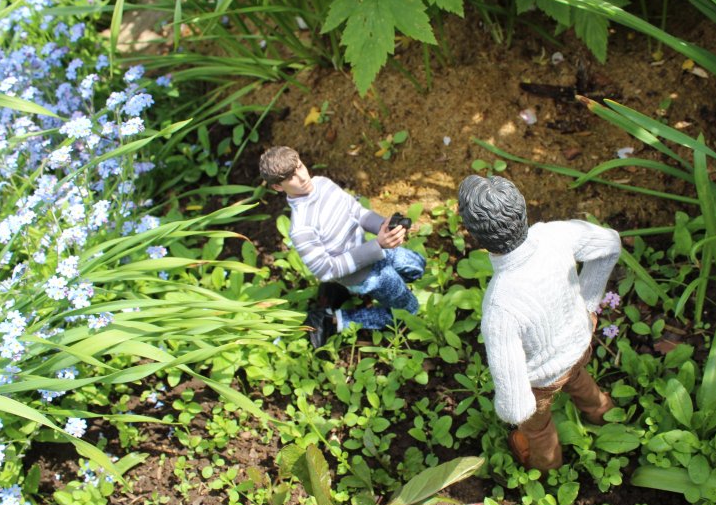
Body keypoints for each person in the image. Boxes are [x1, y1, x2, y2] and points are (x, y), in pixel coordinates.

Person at [457, 174, 619, 472]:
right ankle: (605, 415)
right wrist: (589, 302)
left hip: (542, 380)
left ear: (476, 236)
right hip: (578, 343)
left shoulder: (500, 304)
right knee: (580, 381)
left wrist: (515, 413)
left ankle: (549, 471)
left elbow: (516, 404)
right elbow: (609, 243)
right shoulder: (554, 235)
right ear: (522, 210)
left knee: (539, 430)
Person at [259, 146, 425, 347]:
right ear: (278, 187)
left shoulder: (322, 184)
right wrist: (378, 245)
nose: (302, 177)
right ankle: (335, 320)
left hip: (372, 248)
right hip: (362, 274)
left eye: (300, 167)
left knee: (417, 265)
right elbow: (326, 270)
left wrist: (382, 226)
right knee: (409, 312)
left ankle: (341, 294)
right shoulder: (301, 227)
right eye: (291, 177)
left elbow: (356, 212)